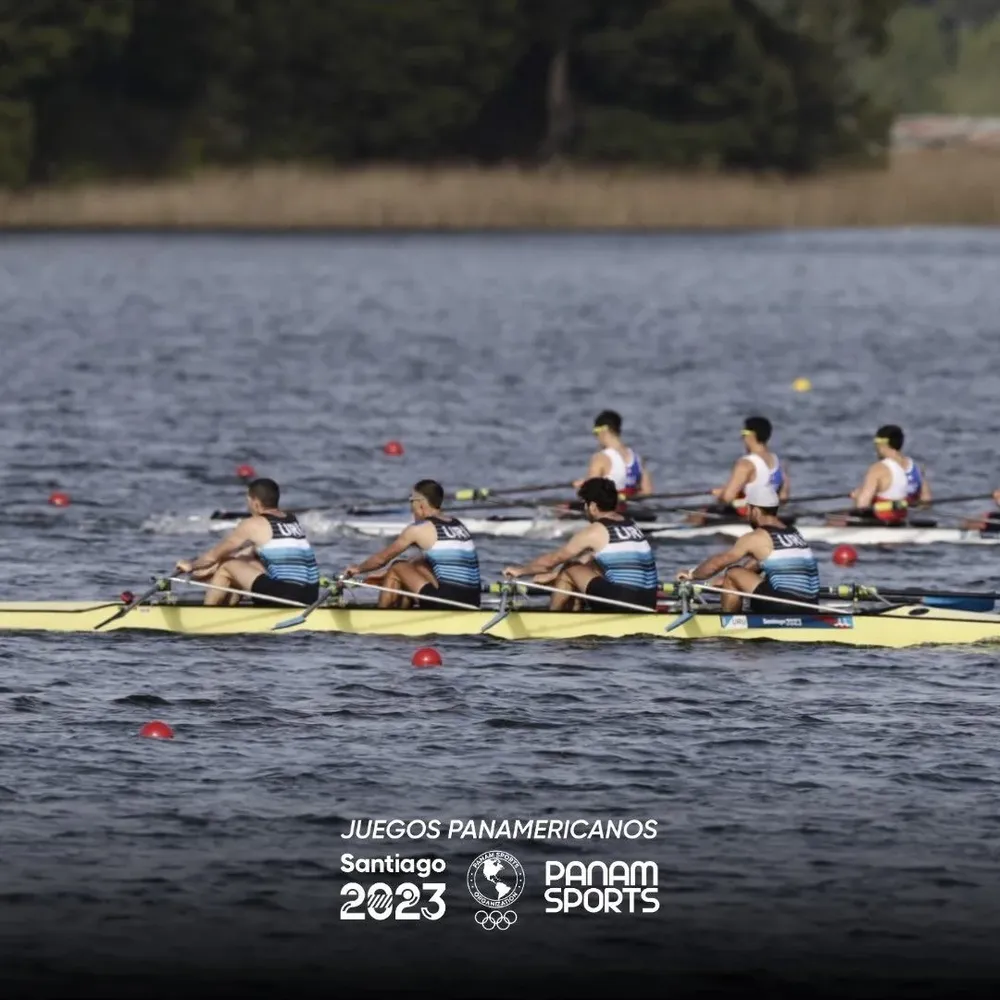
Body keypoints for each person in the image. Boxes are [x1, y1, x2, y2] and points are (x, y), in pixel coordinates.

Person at [503, 477, 659, 611]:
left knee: (569, 568)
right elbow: (589, 562)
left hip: (624, 601)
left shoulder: (595, 531)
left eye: (584, 504)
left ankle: (552, 620)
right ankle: (577, 619)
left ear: (592, 506)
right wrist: (552, 576)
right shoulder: (631, 525)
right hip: (649, 601)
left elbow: (552, 560)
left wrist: (521, 570)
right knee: (582, 568)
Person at [676, 480, 819, 614]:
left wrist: (692, 574)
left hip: (784, 605)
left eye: (748, 510)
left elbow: (718, 562)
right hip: (811, 605)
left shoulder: (757, 537)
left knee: (732, 573)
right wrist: (722, 581)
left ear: (755, 511)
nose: (748, 515)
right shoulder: (794, 533)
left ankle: (729, 623)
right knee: (747, 576)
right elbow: (757, 563)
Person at [175, 478, 319, 606]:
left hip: (288, 595)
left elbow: (214, 556)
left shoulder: (252, 524)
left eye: (248, 501)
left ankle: (205, 617)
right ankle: (230, 609)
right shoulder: (291, 520)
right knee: (242, 561)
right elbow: (244, 554)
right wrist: (205, 571)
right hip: (312, 595)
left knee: (227, 566)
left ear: (256, 503)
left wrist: (191, 565)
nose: (248, 506)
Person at [341, 479, 481, 609]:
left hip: (449, 601)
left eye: (411, 500)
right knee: (415, 564)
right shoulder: (458, 525)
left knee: (397, 567)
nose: (410, 507)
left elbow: (381, 559)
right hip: (473, 601)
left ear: (420, 503)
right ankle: (402, 614)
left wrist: (358, 569)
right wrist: (383, 574)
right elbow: (423, 563)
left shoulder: (418, 530)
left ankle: (381, 617)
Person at [687, 416, 788, 526]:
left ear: (751, 436)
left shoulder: (746, 464)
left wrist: (721, 494)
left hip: (747, 517)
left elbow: (727, 498)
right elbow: (783, 497)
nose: (742, 438)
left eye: (743, 433)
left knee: (698, 515)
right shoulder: (779, 463)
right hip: (770, 514)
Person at [849, 424, 931, 525]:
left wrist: (858, 496)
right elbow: (926, 502)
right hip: (901, 519)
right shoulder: (916, 468)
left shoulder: (878, 469)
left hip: (880, 521)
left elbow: (862, 505)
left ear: (883, 445)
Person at [572, 410, 652, 500]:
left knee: (561, 510)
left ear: (604, 431)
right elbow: (647, 492)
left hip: (607, 509)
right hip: (632, 508)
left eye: (596, 433)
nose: (596, 438)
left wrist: (582, 487)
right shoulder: (638, 458)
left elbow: (591, 494)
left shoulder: (601, 458)